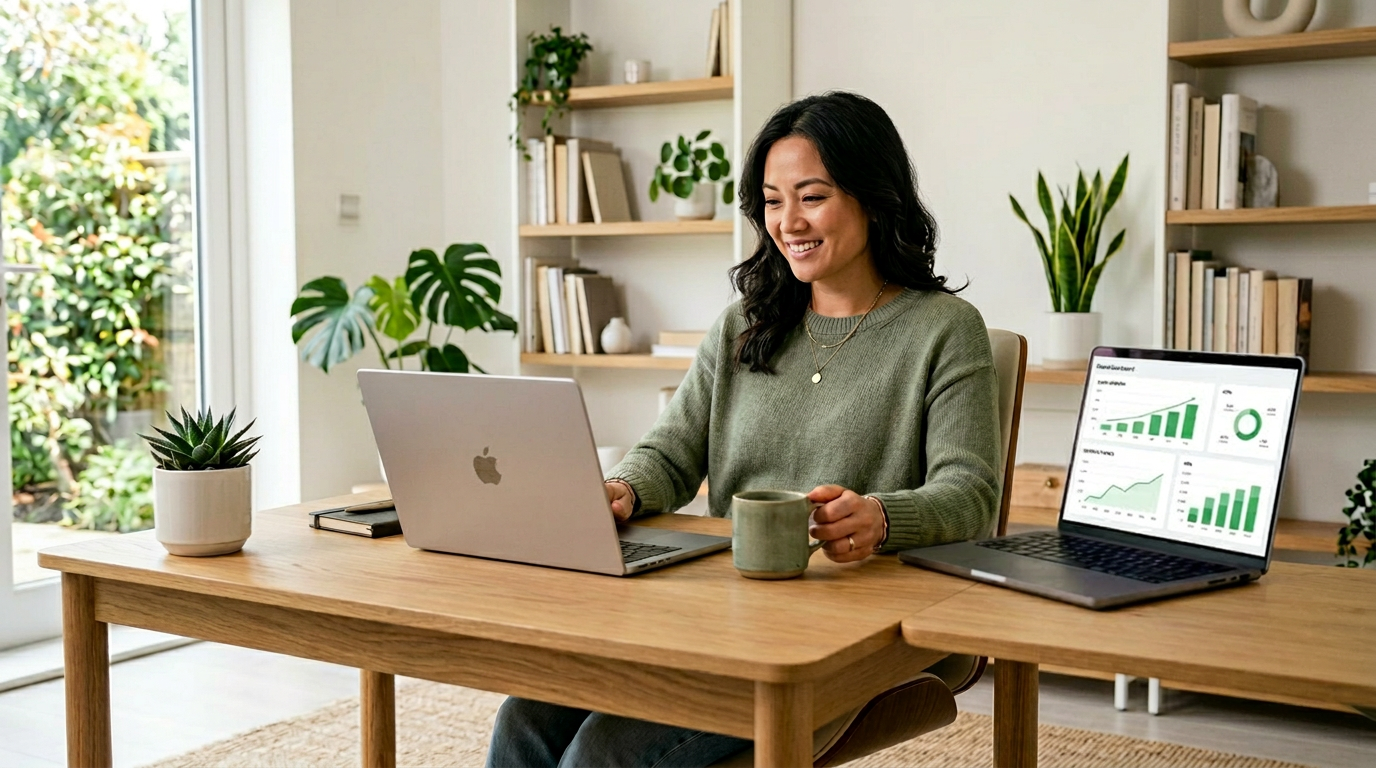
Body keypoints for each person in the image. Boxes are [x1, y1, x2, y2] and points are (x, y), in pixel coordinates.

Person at [484, 91, 1002, 768]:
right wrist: (623, 490)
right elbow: (671, 451)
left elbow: (971, 494)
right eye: (772, 200)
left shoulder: (943, 329)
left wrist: (879, 517)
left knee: (601, 755)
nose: (788, 222)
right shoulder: (744, 324)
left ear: (875, 198)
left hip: (855, 632)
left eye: (811, 196)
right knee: (524, 719)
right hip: (724, 614)